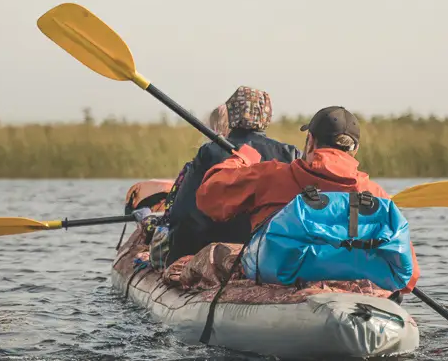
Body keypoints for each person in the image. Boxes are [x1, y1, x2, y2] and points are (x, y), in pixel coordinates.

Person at [195, 105, 419, 294]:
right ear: (355, 150)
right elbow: (409, 279)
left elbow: (208, 198)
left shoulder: (270, 175)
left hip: (278, 277)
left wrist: (240, 160)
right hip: (357, 294)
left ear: (310, 141)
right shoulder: (375, 194)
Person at [149, 86, 302, 266]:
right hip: (269, 254)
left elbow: (186, 214)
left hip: (214, 252)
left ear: (231, 113)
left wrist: (178, 258)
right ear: (266, 116)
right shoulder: (289, 154)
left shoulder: (210, 152)